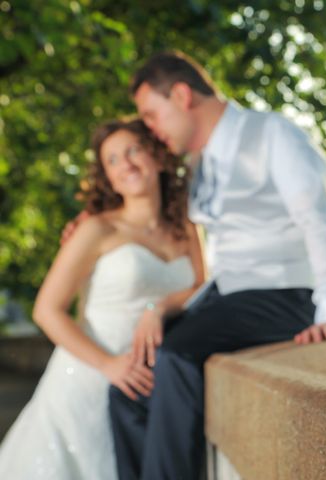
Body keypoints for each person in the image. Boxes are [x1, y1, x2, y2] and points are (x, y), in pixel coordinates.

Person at [107, 51, 326, 480]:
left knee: (179, 355)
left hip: (286, 293)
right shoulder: (198, 161)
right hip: (229, 298)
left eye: (152, 115)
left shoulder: (273, 134)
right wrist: (98, 217)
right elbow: (148, 202)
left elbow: (318, 221)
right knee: (130, 383)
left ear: (182, 95)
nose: (151, 128)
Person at [0, 118, 205, 480]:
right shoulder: (95, 228)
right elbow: (47, 311)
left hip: (147, 387)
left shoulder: (186, 226)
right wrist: (109, 364)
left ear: (157, 157)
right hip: (87, 378)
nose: (125, 164)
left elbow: (201, 289)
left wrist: (160, 307)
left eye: (133, 151)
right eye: (112, 160)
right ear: (107, 177)